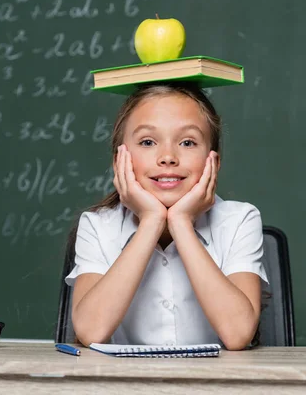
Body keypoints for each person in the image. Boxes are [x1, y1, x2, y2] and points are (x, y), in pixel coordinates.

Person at [64, 82, 268, 351]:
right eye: (148, 142)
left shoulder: (241, 219)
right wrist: (151, 221)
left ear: (213, 163)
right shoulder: (97, 225)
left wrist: (181, 222)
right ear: (119, 162)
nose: (168, 157)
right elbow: (91, 331)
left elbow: (238, 334)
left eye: (187, 142)